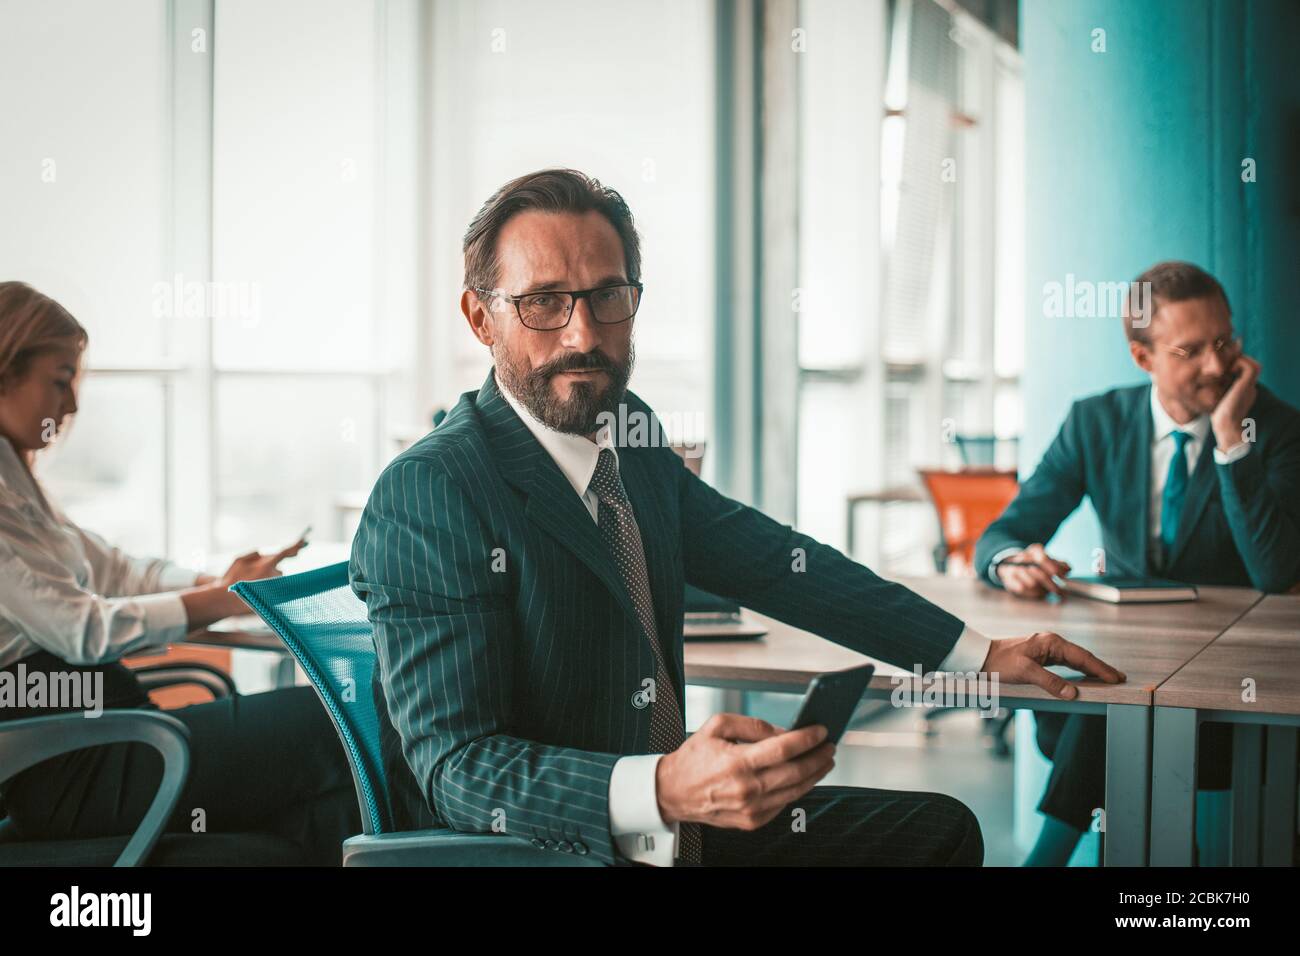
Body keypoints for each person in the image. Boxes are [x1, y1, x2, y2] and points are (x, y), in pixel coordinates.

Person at [349, 168, 1125, 867]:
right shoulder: (430, 493)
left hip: (670, 826)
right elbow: (458, 770)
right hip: (544, 847)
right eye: (543, 303)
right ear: (481, 320)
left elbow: (777, 562)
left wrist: (973, 656)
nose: (583, 334)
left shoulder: (630, 432)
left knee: (942, 833)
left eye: (608, 297)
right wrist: (663, 787)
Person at [0, 281, 359, 865]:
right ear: (5, 368)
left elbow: (110, 568)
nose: (69, 408)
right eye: (60, 381)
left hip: (115, 735)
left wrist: (211, 581)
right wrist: (222, 599)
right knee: (332, 717)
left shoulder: (15, 475)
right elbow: (80, 629)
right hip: (77, 767)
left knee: (326, 807)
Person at [974, 260, 1300, 865]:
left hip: (1226, 699)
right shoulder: (1095, 422)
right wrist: (1011, 560)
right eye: (1191, 349)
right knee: (1118, 700)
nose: (1216, 364)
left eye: (1225, 341)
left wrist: (1232, 440)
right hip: (1116, 680)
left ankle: (1045, 860)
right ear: (1142, 357)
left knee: (1115, 705)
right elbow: (1004, 533)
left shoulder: (1274, 428)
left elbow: (1275, 573)